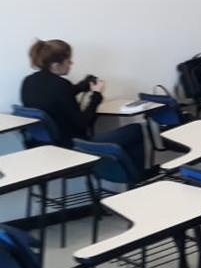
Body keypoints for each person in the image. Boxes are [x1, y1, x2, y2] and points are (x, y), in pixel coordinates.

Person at [20, 39, 147, 174]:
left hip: (45, 147)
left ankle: (129, 175)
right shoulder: (60, 85)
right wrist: (96, 95)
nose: (71, 64)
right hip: (73, 146)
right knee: (136, 130)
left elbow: (55, 98)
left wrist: (81, 86)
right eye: (68, 61)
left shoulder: (29, 82)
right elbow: (83, 123)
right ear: (56, 65)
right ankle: (138, 176)